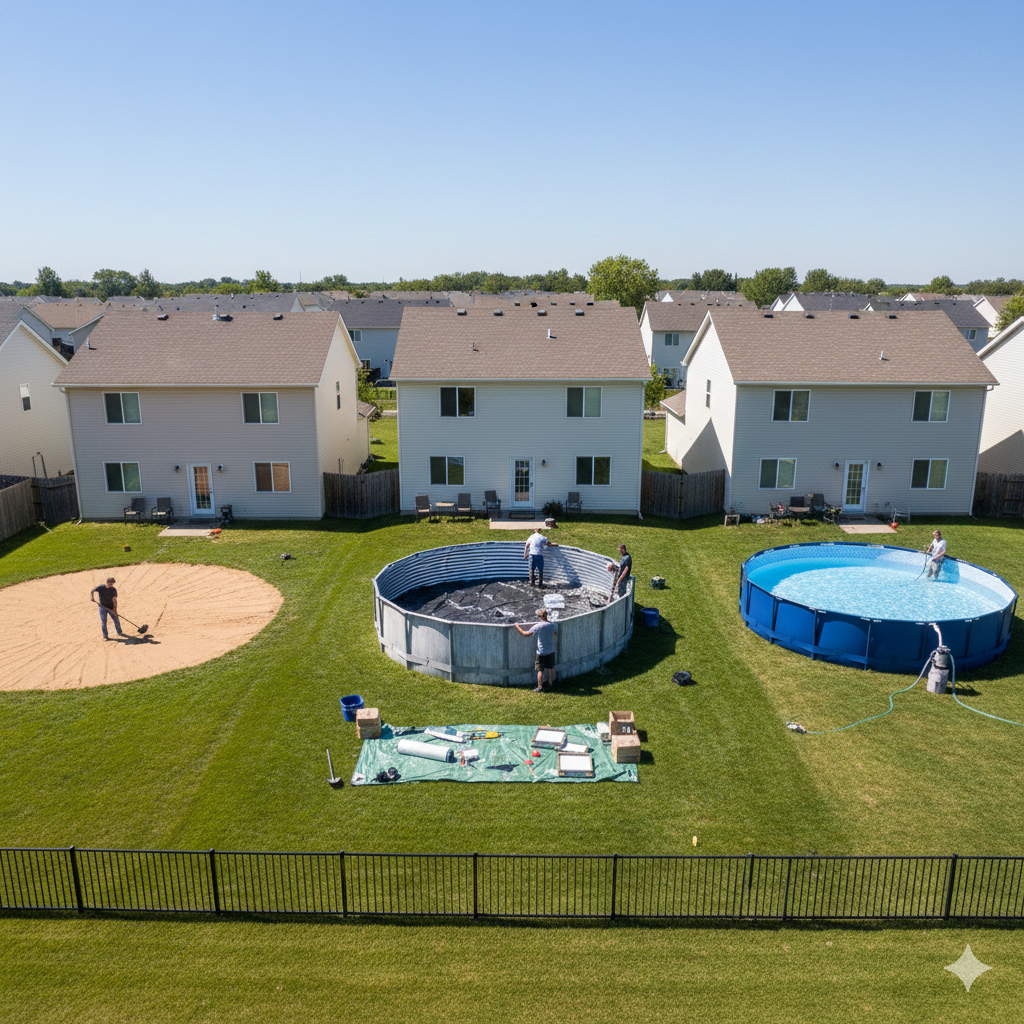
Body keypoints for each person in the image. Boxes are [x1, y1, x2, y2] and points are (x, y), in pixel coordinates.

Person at [515, 608, 558, 692]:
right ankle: (550, 683)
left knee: (540, 670)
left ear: (540, 617)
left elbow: (526, 634)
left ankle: (539, 687)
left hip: (541, 651)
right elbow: (555, 634)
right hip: (551, 650)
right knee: (551, 668)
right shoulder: (553, 625)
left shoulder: (539, 625)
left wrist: (517, 626)